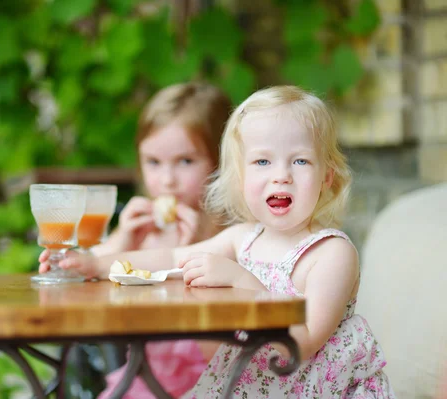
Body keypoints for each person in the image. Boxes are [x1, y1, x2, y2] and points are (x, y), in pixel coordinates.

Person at [40, 85, 396, 398]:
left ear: (326, 178)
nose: (281, 176)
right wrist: (96, 264)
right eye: (262, 161)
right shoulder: (244, 238)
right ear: (240, 178)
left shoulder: (332, 253)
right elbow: (173, 257)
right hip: (247, 385)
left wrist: (243, 282)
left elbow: (300, 346)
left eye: (300, 161)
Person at [39, 82, 233, 398]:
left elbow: (229, 330)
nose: (167, 179)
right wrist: (122, 240)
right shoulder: (142, 232)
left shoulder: (230, 232)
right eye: (153, 163)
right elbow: (89, 269)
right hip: (143, 377)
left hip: (213, 381)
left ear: (221, 160)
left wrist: (193, 247)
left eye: (185, 161)